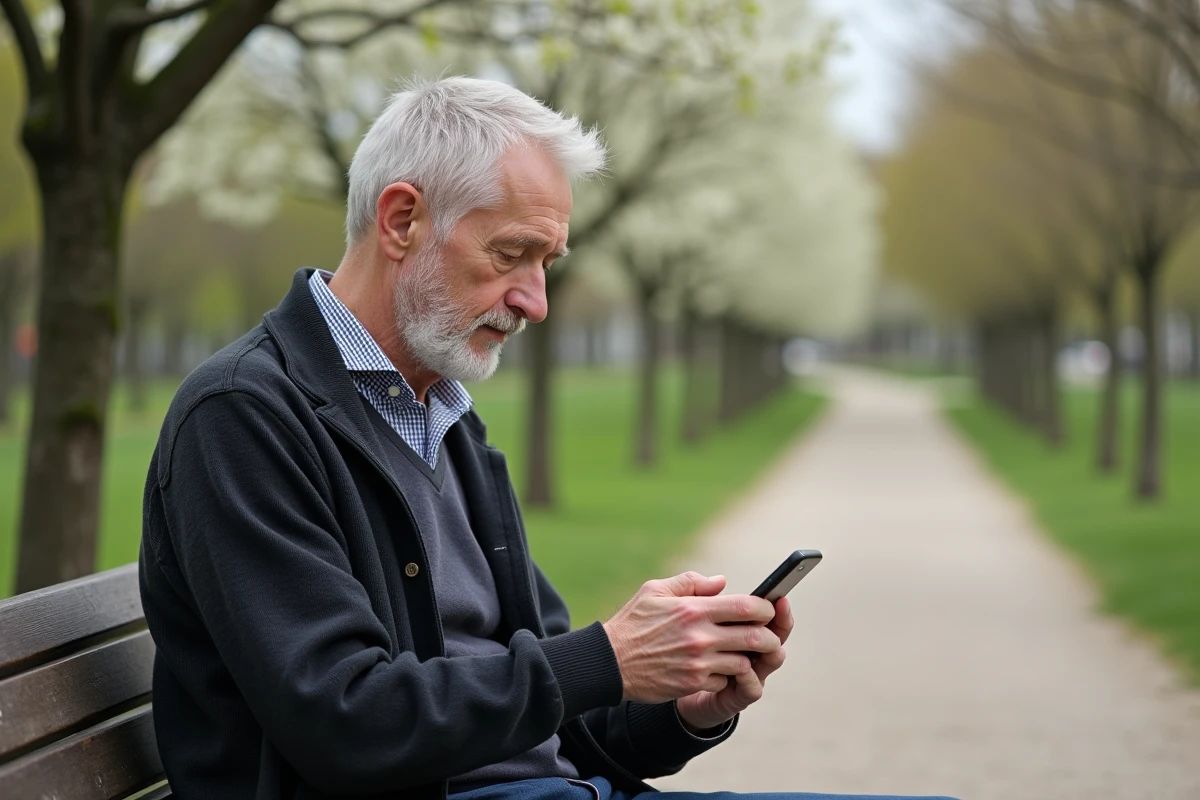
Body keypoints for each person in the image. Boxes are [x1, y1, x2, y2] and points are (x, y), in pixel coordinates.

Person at [139, 76, 957, 800]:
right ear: (401, 221)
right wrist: (606, 656)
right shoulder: (244, 415)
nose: (534, 301)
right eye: (512, 254)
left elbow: (563, 724)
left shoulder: (446, 418)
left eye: (547, 263)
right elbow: (349, 723)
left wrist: (687, 709)